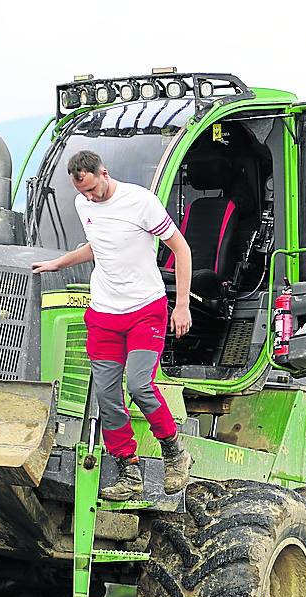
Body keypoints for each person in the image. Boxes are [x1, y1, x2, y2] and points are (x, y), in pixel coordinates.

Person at [32, 150, 193, 501]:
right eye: (83, 192)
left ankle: (174, 452)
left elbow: (180, 249)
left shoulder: (140, 202)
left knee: (138, 385)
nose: (90, 197)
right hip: (104, 313)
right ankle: (128, 469)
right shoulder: (83, 205)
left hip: (145, 309)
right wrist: (59, 263)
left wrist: (182, 305)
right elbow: (98, 246)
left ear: (103, 173)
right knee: (107, 395)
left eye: (94, 189)